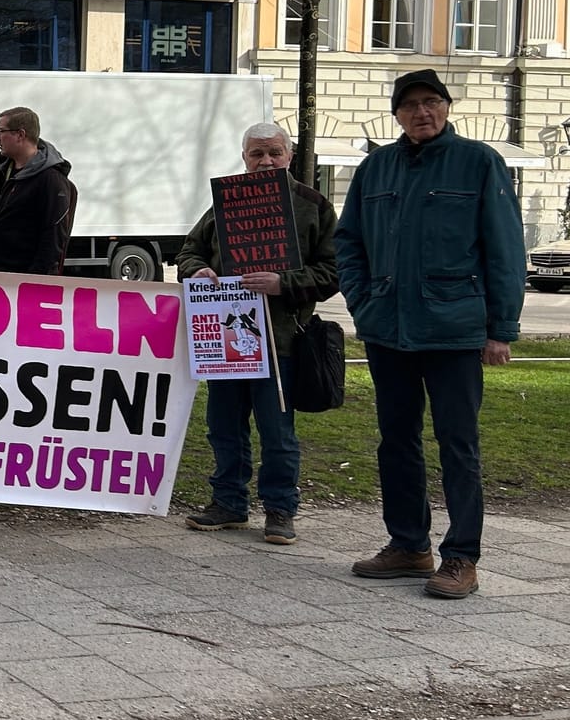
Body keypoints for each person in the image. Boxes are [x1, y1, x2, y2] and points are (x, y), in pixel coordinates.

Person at [336, 70, 525, 600]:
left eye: (432, 102)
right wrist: (362, 297)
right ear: (397, 114)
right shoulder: (375, 169)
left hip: (455, 330)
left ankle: (462, 556)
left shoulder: (480, 162)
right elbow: (347, 240)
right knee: (396, 440)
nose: (423, 112)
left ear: (446, 107)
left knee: (458, 444)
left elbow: (505, 250)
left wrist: (500, 329)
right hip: (387, 329)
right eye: (412, 105)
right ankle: (409, 544)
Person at [174, 124, 339, 546]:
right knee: (223, 426)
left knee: (277, 430)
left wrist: (283, 283)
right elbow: (189, 251)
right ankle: (228, 503)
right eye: (256, 154)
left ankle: (281, 509)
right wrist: (199, 271)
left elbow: (335, 270)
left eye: (274, 153)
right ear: (244, 156)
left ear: (289, 155)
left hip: (282, 339)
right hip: (226, 338)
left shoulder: (312, 206)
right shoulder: (225, 203)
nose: (265, 162)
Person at [0, 106, 73, 276]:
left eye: (1, 131)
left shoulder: (51, 180)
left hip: (24, 281)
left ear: (20, 135)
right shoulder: (5, 168)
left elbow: (53, 238)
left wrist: (34, 283)